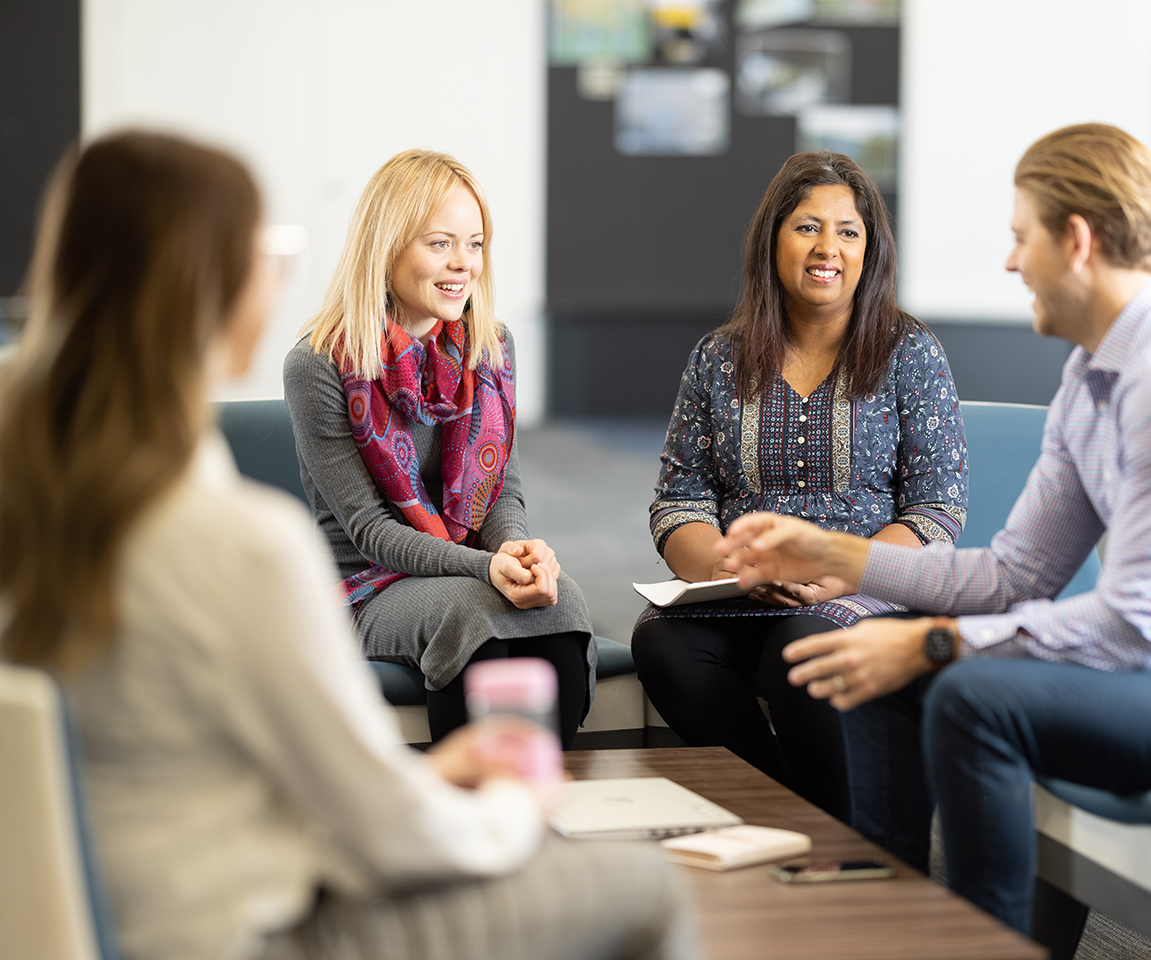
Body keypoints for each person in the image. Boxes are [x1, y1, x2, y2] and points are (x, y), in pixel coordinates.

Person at [0, 132, 692, 960]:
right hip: (257, 923)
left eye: (472, 244)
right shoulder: (253, 544)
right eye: (266, 251)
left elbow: (259, 781)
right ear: (216, 289)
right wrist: (510, 802)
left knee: (554, 598)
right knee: (648, 888)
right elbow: (386, 837)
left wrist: (430, 776)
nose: (279, 272)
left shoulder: (39, 496)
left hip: (125, 905)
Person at [714, 124, 1151, 933]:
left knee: (968, 691)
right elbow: (1013, 577)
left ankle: (979, 947)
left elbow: (1130, 624)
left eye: (1022, 238)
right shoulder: (1092, 378)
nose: (1011, 261)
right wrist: (839, 556)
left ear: (1078, 243)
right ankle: (893, 925)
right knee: (886, 661)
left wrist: (930, 644)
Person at [632, 151, 968, 820]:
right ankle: (784, 816)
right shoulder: (717, 358)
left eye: (848, 231)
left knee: (804, 647)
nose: (828, 248)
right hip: (748, 586)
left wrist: (840, 571)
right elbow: (681, 499)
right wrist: (732, 569)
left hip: (865, 585)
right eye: (808, 227)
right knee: (664, 643)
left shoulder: (910, 353)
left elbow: (937, 508)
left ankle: (839, 838)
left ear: (869, 250)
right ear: (773, 239)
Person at [284, 150, 593, 745]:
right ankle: (467, 813)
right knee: (472, 610)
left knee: (559, 601)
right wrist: (487, 567)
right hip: (368, 586)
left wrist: (518, 553)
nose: (463, 265)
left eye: (474, 245)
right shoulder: (320, 363)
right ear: (388, 247)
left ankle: (546, 802)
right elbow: (369, 531)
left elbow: (501, 489)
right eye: (440, 244)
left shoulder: (489, 344)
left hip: (472, 568)